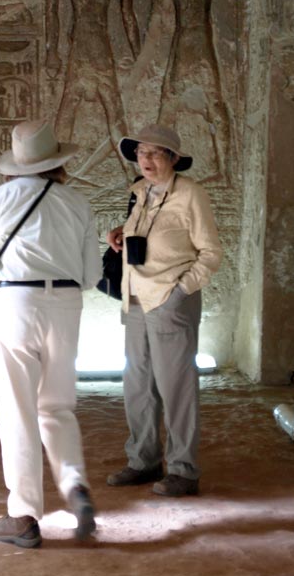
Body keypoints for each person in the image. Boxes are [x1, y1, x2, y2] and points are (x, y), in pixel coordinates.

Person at [0, 120, 102, 548]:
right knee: (57, 408)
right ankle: (75, 487)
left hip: (14, 305)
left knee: (17, 411)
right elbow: (91, 274)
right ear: (57, 162)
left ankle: (24, 514)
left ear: (15, 165)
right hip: (66, 307)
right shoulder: (78, 204)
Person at [105, 124, 222, 497]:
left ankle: (184, 471)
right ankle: (143, 461)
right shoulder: (140, 192)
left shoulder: (191, 195)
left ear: (173, 158)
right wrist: (119, 233)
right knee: (137, 385)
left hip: (171, 301)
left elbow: (211, 254)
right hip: (135, 298)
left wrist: (180, 291)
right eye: (141, 153)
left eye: (156, 153)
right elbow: (152, 236)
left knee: (176, 388)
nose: (147, 160)